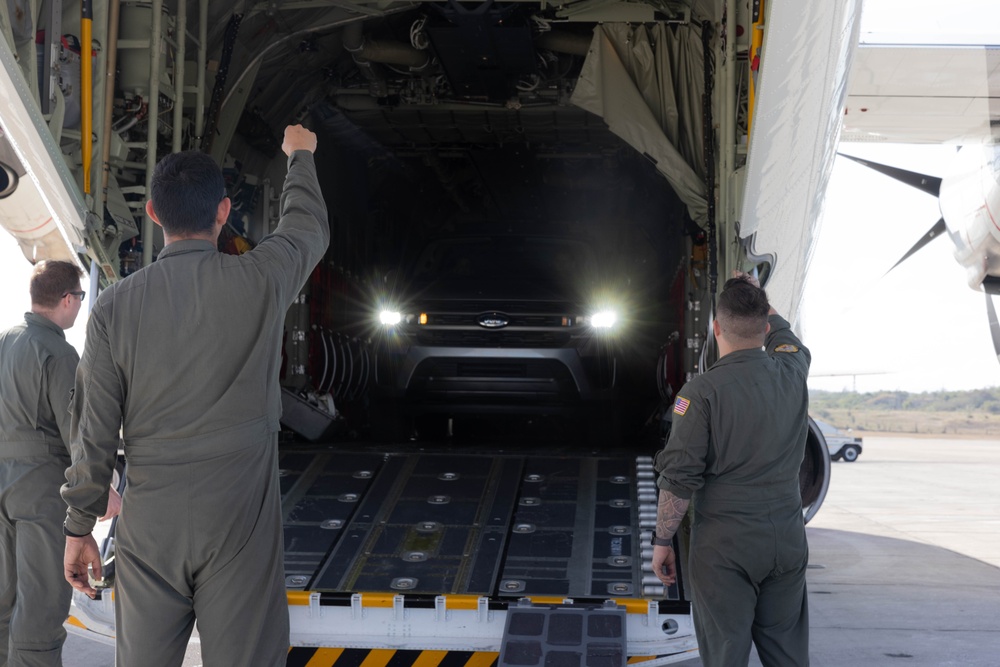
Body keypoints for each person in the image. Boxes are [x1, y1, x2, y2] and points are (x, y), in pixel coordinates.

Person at [61, 124, 329, 666]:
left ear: (154, 214)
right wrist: (300, 156)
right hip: (238, 520)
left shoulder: (113, 307)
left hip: (150, 524)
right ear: (224, 212)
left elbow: (93, 428)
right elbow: (306, 229)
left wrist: (79, 527)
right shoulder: (261, 279)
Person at [650, 272, 811, 666]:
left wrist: (662, 541)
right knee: (788, 655)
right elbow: (788, 338)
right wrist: (756, 293)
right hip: (787, 542)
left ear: (716, 327)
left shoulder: (698, 394)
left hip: (726, 549)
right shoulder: (793, 370)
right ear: (765, 326)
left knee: (726, 655)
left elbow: (680, 475)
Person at [0, 259, 120, 665]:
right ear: (68, 300)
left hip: (1, 483)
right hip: (40, 493)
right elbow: (80, 435)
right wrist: (104, 491)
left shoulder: (4, 341)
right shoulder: (59, 352)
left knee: (4, 601)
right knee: (42, 605)